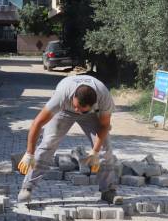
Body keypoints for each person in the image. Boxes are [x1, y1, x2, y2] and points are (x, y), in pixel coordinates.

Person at [17, 75, 121, 204]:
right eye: (76, 106)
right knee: (48, 143)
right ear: (73, 97)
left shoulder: (104, 97)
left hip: (91, 115)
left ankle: (108, 191)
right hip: (64, 110)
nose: (77, 111)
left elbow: (105, 126)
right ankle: (27, 187)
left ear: (93, 104)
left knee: (105, 149)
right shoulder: (62, 96)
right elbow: (37, 123)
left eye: (81, 110)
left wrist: (95, 151)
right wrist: (29, 153)